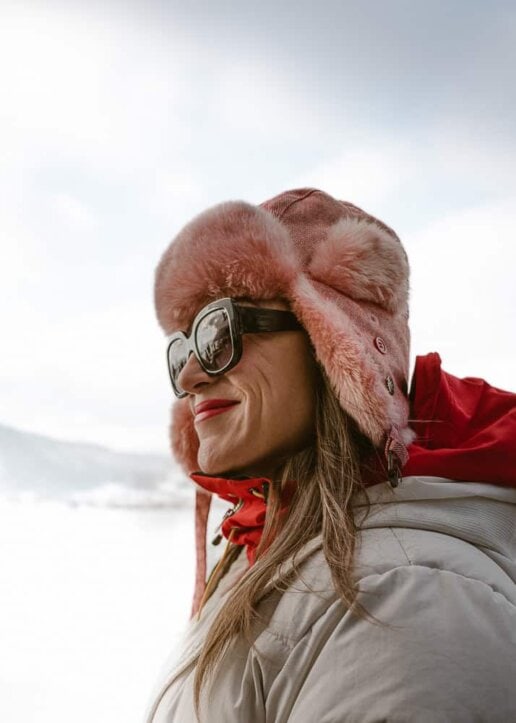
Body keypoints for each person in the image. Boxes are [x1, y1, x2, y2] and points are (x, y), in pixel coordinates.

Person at [145, 188, 516, 722]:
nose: (189, 375)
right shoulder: (267, 544)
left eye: (220, 330)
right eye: (184, 345)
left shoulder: (405, 600)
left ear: (334, 345)